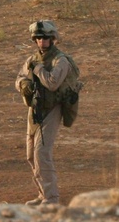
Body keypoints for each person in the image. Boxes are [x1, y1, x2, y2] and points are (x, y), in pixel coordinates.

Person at [14, 20, 78, 206]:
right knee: (30, 155)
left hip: (53, 108)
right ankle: (42, 194)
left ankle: (51, 198)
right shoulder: (32, 59)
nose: (42, 42)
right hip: (34, 108)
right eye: (38, 38)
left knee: (42, 152)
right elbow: (19, 78)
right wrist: (24, 84)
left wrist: (39, 69)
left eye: (46, 38)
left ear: (53, 39)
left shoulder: (61, 60)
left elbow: (52, 83)